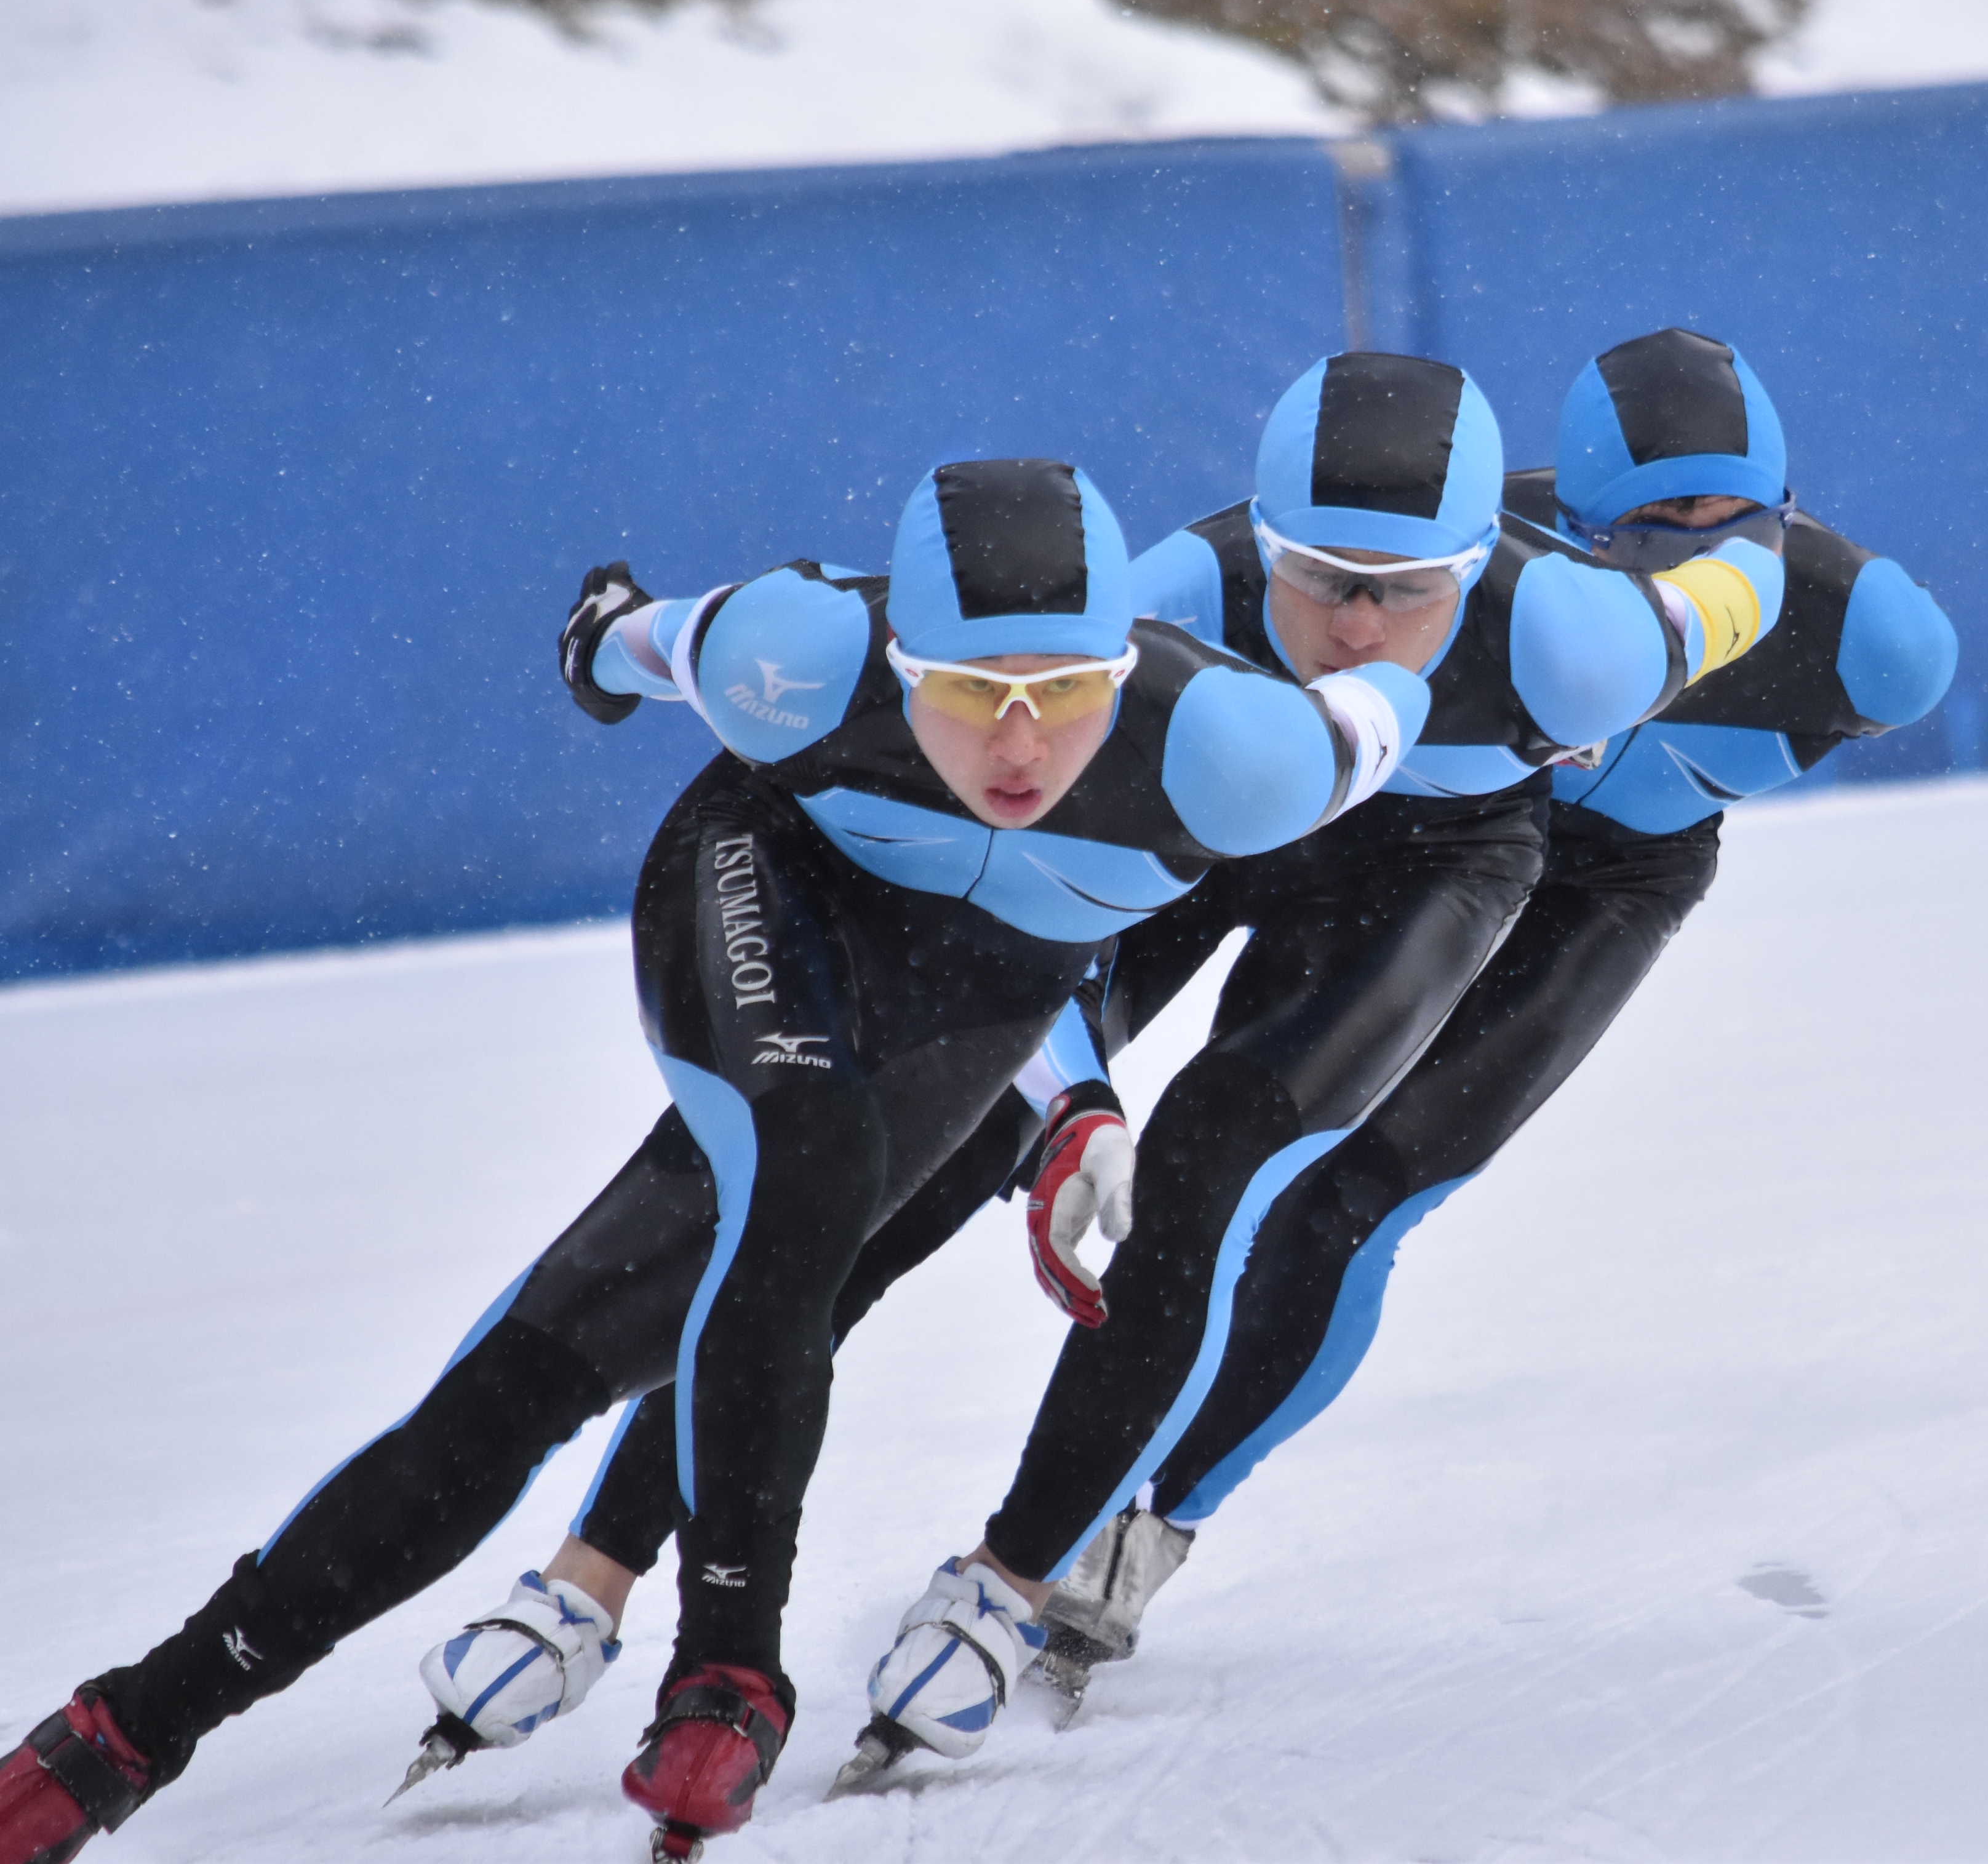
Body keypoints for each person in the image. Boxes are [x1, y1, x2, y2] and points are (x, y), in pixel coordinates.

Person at [0, 456, 1427, 1864]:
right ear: (893, 659)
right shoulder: (796, 654)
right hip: (766, 886)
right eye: (961, 690)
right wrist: (600, 636)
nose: (1016, 745)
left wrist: (1074, 1101)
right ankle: (723, 1670)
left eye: (1060, 693)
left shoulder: (1248, 755)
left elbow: (1400, 692)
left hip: (972, 989)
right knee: (804, 1164)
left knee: (560, 1354)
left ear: (1122, 672)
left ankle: (131, 1721)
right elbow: (630, 635)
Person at [496, 348, 1785, 1787]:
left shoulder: (1580, 640)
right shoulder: (1175, 597)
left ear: (1484, 562)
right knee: (908, 1169)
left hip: (1432, 859)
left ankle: (1008, 1581)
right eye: (1315, 573)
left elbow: (1747, 585)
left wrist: (1752, 541)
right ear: (1257, 534)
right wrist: (1072, 1098)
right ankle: (594, 1572)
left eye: (1409, 587)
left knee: (1214, 1169)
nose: (1357, 626)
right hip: (1195, 824)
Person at [1025, 327, 1960, 1695]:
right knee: (1227, 1152)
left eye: (1736, 523)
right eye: (1650, 530)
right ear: (1568, 528)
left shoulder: (1874, 639)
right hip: (1419, 839)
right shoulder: (1476, 544)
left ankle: (1155, 1520)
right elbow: (1245, 557)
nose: (1700, 561)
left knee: (1355, 1199)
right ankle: (1067, 1476)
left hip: (1611, 881)